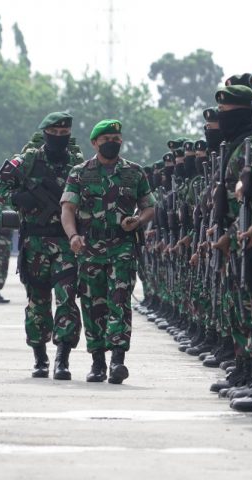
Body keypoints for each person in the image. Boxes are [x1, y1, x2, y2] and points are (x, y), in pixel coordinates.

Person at [61, 119, 155, 385]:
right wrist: (73, 236)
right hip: (90, 249)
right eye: (106, 140)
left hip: (122, 247)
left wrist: (137, 220)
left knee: (120, 301)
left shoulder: (134, 173)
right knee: (92, 306)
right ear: (95, 143)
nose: (112, 143)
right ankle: (97, 362)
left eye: (116, 139)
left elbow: (149, 207)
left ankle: (117, 361)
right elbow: (67, 210)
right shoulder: (80, 173)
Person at [0, 111, 83, 380]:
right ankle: (40, 358)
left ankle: (62, 358)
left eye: (64, 135)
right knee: (38, 303)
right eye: (54, 135)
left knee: (67, 301)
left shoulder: (78, 165)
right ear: (45, 134)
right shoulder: (26, 162)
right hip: (35, 244)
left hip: (66, 244)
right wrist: (20, 199)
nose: (59, 139)